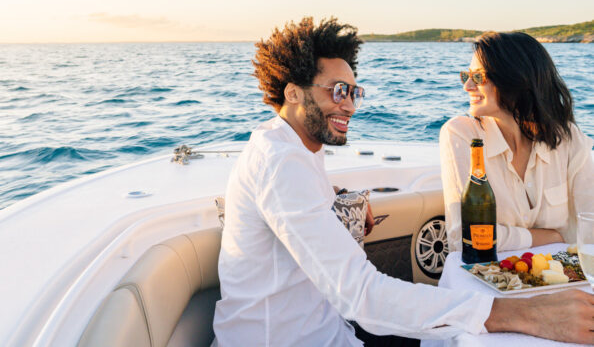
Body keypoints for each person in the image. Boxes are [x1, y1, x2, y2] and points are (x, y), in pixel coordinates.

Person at [212, 18, 594, 347]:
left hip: (329, 331)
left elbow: (289, 201)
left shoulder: (296, 149)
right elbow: (362, 295)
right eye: (338, 91)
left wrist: (337, 200)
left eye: (354, 91)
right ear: (292, 92)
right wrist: (525, 315)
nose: (350, 105)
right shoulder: (280, 162)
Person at [440, 31, 594, 252]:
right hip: (486, 277)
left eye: (478, 77)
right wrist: (549, 237)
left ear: (516, 79)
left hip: (561, 276)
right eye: (466, 76)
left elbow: (591, 223)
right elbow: (465, 238)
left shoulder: (568, 139)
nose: (467, 87)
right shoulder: (461, 135)